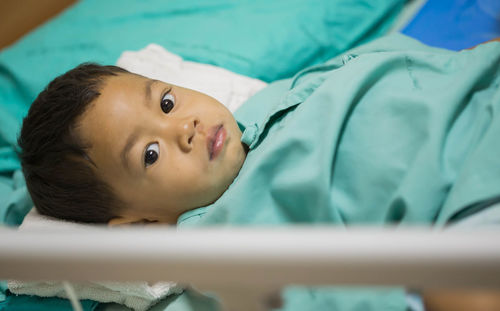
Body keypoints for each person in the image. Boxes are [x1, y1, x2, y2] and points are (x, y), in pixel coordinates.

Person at [17, 34, 500, 310]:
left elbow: (387, 61)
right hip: (464, 201)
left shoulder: (264, 101)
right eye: (149, 154)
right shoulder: (224, 242)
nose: (182, 127)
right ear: (143, 224)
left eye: (166, 101)